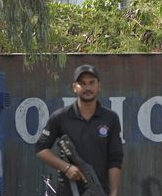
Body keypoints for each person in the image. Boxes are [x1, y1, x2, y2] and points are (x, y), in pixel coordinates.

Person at [36, 64, 124, 196]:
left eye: (91, 83)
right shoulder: (60, 117)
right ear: (74, 87)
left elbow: (115, 159)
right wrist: (66, 167)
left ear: (99, 86)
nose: (87, 87)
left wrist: (114, 192)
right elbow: (41, 149)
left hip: (99, 190)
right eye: (82, 83)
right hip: (67, 191)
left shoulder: (110, 118)